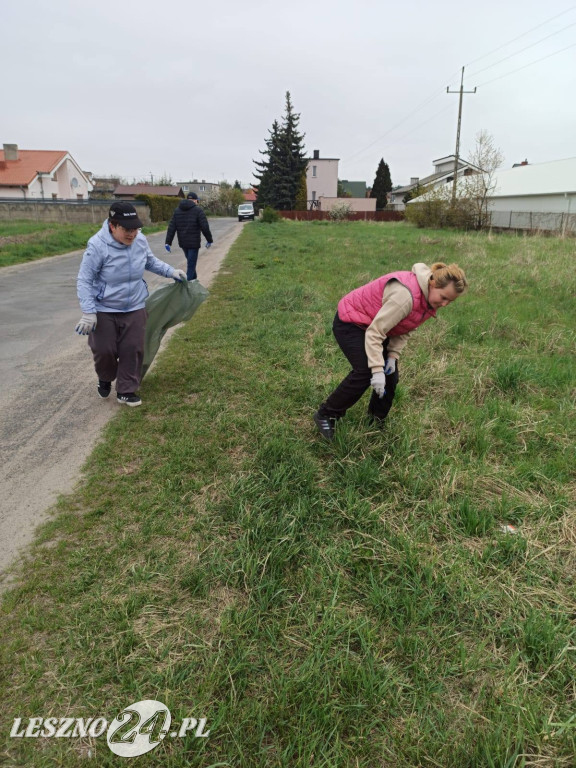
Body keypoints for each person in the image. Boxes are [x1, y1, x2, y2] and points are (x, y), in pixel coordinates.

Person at [313, 262, 468, 440]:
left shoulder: (428, 301)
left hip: (373, 326)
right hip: (352, 321)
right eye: (443, 297)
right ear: (432, 284)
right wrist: (377, 370)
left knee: (390, 376)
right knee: (366, 371)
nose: (445, 304)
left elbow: (407, 326)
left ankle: (375, 421)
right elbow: (375, 332)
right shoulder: (405, 296)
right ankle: (327, 414)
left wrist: (393, 356)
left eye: (450, 301)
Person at [75, 201, 187, 407]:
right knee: (104, 350)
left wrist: (171, 271)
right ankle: (105, 376)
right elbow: (84, 280)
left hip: (134, 305)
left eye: (136, 228)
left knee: (132, 348)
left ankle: (126, 390)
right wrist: (89, 312)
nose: (132, 234)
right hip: (104, 308)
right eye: (127, 229)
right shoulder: (97, 246)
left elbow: (150, 262)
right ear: (112, 225)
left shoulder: (140, 240)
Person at [164, 192, 213, 281]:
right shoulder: (198, 210)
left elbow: (172, 227)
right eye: (197, 200)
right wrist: (209, 240)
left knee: (191, 263)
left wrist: (168, 242)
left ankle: (194, 280)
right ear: (195, 200)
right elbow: (204, 226)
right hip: (194, 243)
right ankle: (185, 284)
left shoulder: (177, 210)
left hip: (183, 243)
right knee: (191, 265)